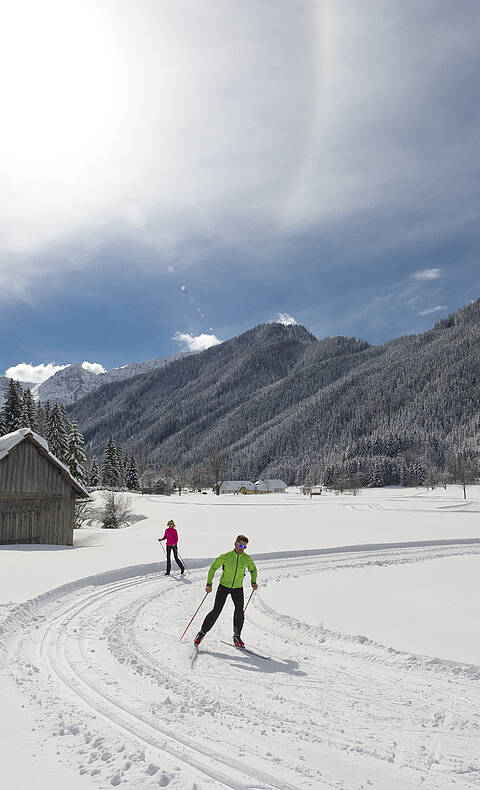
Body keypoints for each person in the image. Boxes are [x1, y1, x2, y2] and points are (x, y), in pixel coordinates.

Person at [194, 535, 257, 648]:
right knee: (216, 610)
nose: (242, 548)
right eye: (240, 545)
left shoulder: (247, 559)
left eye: (244, 546)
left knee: (239, 611)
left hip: (237, 588)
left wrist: (253, 582)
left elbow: (253, 570)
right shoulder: (226, 557)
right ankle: (202, 633)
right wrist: (209, 583)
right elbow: (213, 568)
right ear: (235, 544)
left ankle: (237, 636)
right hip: (224, 586)